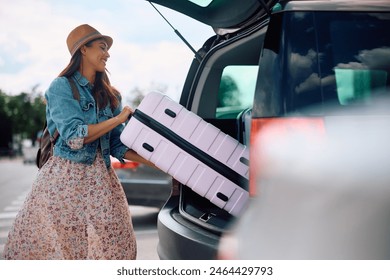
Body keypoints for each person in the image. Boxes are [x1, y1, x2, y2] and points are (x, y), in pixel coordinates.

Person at [3, 24, 153, 260]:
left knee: (118, 245)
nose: (108, 54)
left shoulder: (111, 95)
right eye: (102, 47)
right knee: (70, 251)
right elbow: (74, 136)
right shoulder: (61, 87)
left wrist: (159, 162)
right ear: (84, 49)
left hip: (101, 182)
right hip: (64, 182)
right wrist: (120, 118)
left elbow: (117, 145)